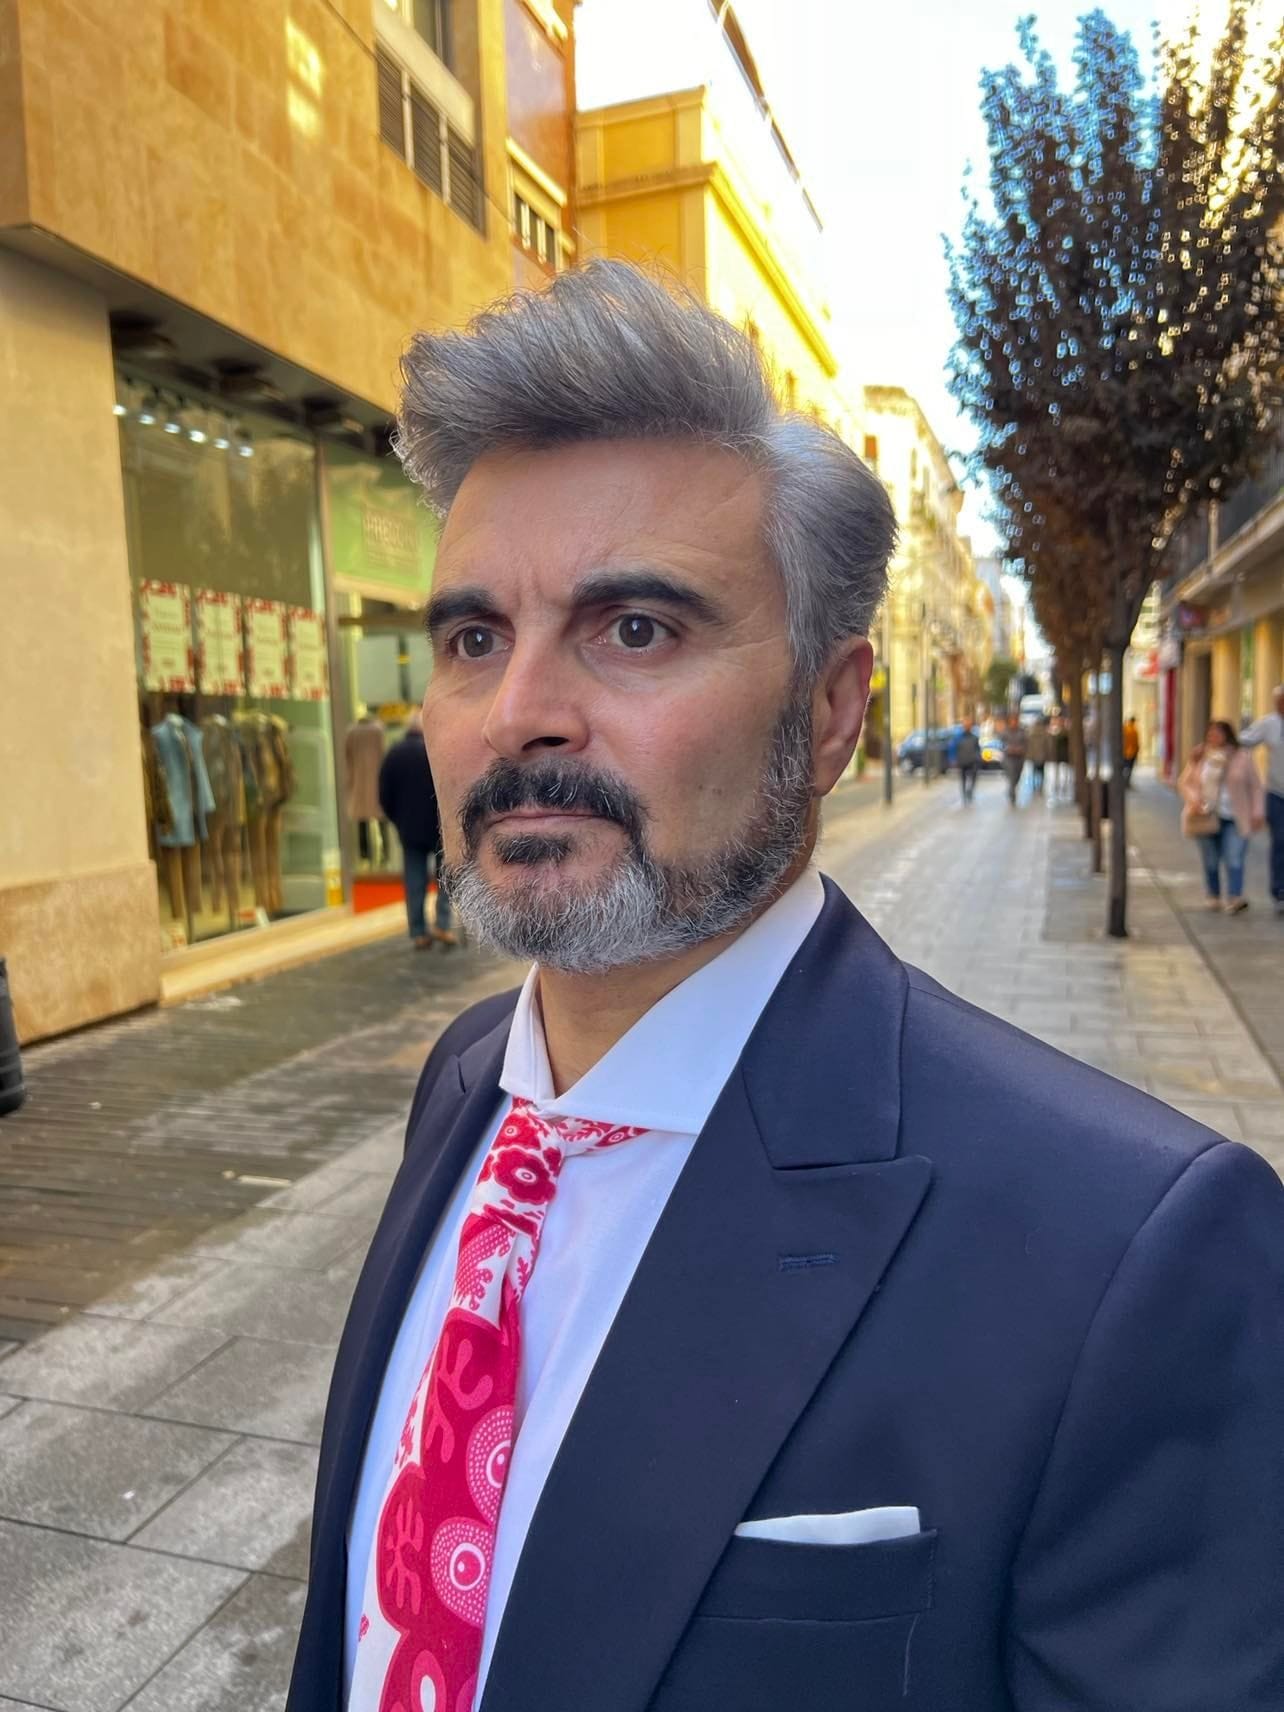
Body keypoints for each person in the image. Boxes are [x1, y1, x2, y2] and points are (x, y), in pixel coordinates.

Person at [288, 263, 1284, 1712]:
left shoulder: (1133, 1252)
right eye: (473, 638)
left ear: (829, 711)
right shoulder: (461, 1087)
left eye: (636, 629)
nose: (518, 714)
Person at [377, 712, 457, 949]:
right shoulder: (435, 751)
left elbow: (384, 794)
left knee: (414, 881)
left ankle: (418, 932)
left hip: (409, 829)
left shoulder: (394, 754)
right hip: (439, 826)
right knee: (446, 878)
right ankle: (442, 924)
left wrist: (398, 820)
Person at [1178, 720, 1265, 914]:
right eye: (1211, 733)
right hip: (1206, 816)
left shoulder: (1242, 757)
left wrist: (1257, 811)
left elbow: (1256, 786)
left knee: (1234, 857)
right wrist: (1194, 800)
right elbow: (1185, 782)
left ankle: (1235, 897)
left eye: (1218, 733)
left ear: (1228, 735)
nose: (1214, 737)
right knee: (1210, 859)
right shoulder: (1201, 755)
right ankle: (1213, 894)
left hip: (1235, 816)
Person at [1240, 684, 1284, 915]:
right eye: (1279, 701)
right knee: (1280, 841)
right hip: (1276, 793)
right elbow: (1245, 739)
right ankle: (1280, 891)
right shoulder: (1269, 723)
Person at [1002, 715, 1027, 805]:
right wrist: (1008, 749)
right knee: (1011, 774)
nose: (1013, 723)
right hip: (1008, 758)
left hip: (1019, 758)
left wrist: (1021, 749)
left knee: (1017, 776)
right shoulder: (1005, 732)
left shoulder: (1022, 731)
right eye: (1011, 721)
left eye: (1015, 721)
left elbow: (1026, 743)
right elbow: (1001, 743)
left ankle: (1012, 788)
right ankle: (1012, 792)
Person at [956, 719, 980, 804]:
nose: (967, 727)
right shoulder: (958, 737)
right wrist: (955, 759)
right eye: (965, 725)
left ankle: (970, 791)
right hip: (962, 761)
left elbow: (978, 749)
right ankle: (964, 794)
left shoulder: (975, 737)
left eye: (968, 725)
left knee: (974, 777)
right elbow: (955, 749)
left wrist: (977, 758)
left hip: (972, 761)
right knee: (963, 779)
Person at [1026, 717, 1049, 793]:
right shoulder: (1044, 734)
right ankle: (1040, 786)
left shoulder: (1032, 734)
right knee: (1041, 772)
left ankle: (1035, 785)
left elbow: (1029, 747)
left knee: (1034, 771)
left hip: (1035, 756)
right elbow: (1048, 746)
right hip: (1041, 756)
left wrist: (1029, 756)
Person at [1121, 715, 1141, 787]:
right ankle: (1127, 782)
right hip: (1132, 753)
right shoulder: (1134, 730)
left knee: (1125, 768)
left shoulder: (1125, 729)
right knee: (1129, 768)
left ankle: (1124, 782)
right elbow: (1136, 743)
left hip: (1125, 752)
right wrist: (1137, 752)